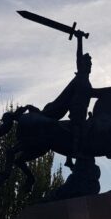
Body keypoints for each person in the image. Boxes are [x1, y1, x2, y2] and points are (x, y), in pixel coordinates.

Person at [41, 30, 92, 167]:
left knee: (85, 128)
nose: (89, 66)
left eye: (90, 64)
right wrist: (79, 39)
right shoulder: (80, 75)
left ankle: (72, 157)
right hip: (76, 109)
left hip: (83, 109)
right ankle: (73, 155)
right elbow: (78, 55)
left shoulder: (87, 81)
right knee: (78, 127)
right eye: (88, 64)